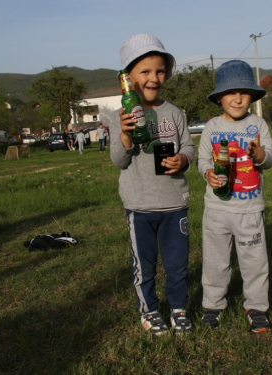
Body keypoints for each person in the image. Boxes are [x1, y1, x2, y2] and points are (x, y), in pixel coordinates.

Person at [108, 33, 196, 335]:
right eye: (145, 71)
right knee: (144, 266)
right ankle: (149, 310)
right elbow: (119, 160)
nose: (153, 78)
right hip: (140, 205)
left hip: (175, 203)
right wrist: (126, 134)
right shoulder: (119, 116)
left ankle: (179, 307)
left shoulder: (175, 112)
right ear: (128, 77)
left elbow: (188, 148)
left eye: (160, 71)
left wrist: (183, 160)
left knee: (177, 264)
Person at [197, 60, 272, 333]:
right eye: (230, 92)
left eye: (243, 92)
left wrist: (260, 155)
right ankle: (213, 305)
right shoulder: (211, 127)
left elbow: (270, 158)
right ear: (219, 97)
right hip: (217, 210)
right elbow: (202, 160)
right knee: (215, 261)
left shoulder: (258, 125)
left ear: (252, 95)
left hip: (250, 209)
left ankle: (257, 307)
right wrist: (207, 172)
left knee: (254, 262)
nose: (238, 98)